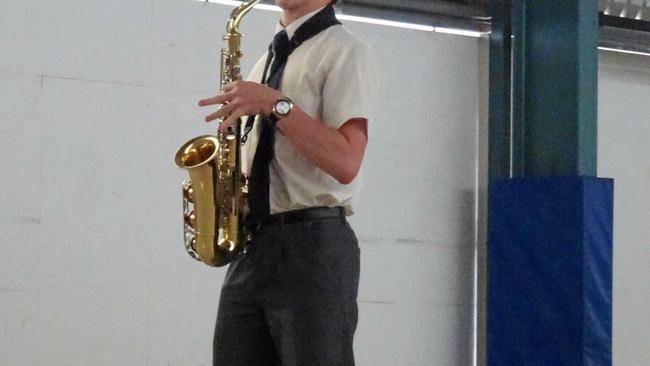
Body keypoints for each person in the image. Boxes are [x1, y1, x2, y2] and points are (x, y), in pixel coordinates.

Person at [198, 0, 375, 364]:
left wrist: (275, 104)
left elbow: (346, 161)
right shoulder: (266, 62)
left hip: (313, 246)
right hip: (254, 242)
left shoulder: (346, 51)